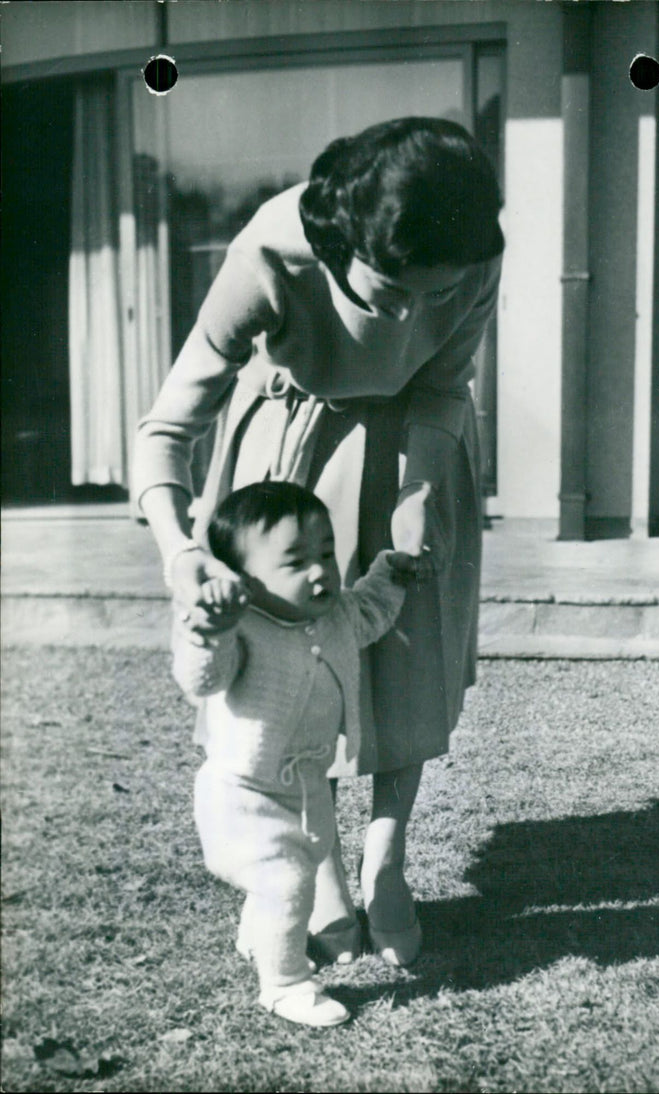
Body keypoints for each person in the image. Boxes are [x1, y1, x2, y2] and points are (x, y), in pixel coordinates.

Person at [133, 115, 505, 968]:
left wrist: (417, 495)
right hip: (294, 450)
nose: (414, 313)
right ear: (342, 251)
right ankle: (325, 871)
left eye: (436, 293)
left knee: (410, 657)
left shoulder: (474, 248)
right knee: (298, 670)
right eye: (392, 293)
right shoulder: (270, 253)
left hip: (421, 440)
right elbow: (166, 426)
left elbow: (445, 381)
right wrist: (181, 553)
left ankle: (387, 863)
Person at [172, 481, 413, 1026]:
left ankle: (260, 935)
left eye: (326, 553)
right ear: (245, 580)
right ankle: (284, 983)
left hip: (304, 786)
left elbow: (372, 609)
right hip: (243, 792)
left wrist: (394, 571)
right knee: (286, 879)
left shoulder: (336, 615)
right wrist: (207, 630)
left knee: (294, 868)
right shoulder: (242, 629)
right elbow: (201, 680)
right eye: (296, 561)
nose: (321, 571)